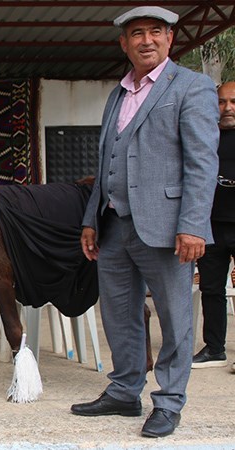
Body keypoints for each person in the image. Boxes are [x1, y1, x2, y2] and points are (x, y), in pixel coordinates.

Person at [72, 6, 220, 439]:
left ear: (171, 39)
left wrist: (193, 224)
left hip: (168, 225)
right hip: (114, 223)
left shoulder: (192, 87)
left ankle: (169, 401)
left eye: (156, 32)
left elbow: (201, 162)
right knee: (118, 314)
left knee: (175, 316)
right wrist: (90, 219)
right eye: (137, 33)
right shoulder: (118, 93)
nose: (146, 40)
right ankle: (124, 391)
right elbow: (105, 161)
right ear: (124, 43)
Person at [193, 81, 235, 371]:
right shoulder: (205, 137)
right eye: (222, 102)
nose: (228, 108)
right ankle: (214, 348)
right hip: (211, 225)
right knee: (211, 289)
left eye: (233, 101)